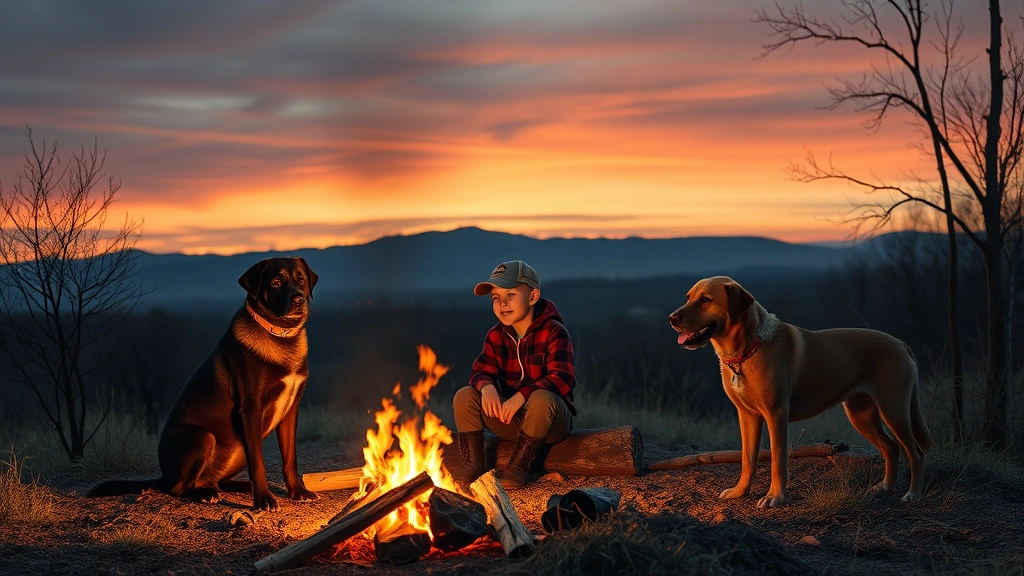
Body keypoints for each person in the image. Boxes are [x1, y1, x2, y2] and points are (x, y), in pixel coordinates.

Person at [451, 260, 576, 490]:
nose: (502, 303)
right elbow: (480, 370)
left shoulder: (554, 332)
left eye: (510, 295)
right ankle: (473, 463)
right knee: (465, 395)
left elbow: (563, 377)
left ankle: (519, 467)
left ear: (533, 296)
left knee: (541, 398)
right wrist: (487, 388)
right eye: (495, 298)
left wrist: (522, 395)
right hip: (512, 419)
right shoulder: (495, 336)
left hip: (550, 422)